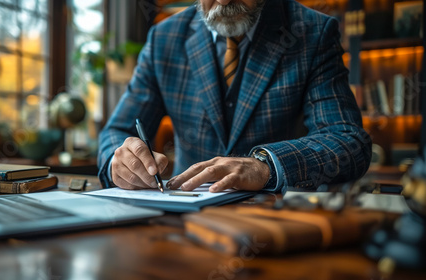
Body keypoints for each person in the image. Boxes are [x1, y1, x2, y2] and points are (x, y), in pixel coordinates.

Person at [97, 0, 372, 194]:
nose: (224, 0)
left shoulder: (312, 32)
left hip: (275, 217)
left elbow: (348, 141)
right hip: (181, 217)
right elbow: (118, 130)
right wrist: (118, 162)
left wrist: (265, 167)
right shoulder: (163, 39)